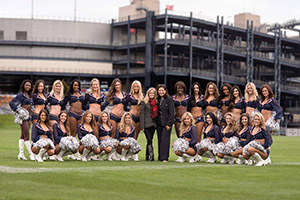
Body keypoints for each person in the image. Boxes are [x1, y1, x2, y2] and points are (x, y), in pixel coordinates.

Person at [9, 79, 35, 160]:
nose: (28, 87)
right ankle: (31, 154)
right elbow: (11, 103)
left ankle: (21, 154)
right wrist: (18, 110)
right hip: (23, 117)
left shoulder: (30, 95)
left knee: (23, 135)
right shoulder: (21, 95)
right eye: (26, 85)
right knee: (27, 136)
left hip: (29, 116)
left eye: (29, 85)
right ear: (23, 86)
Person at [156, 84, 174, 162]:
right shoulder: (158, 100)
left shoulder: (169, 99)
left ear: (165, 91)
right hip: (159, 123)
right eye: (159, 90)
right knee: (160, 140)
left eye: (162, 90)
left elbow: (172, 113)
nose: (161, 92)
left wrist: (169, 124)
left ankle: (165, 158)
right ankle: (160, 157)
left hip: (166, 123)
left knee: (165, 140)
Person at [140, 87, 158, 161]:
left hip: (153, 124)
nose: (151, 94)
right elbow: (142, 114)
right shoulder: (144, 102)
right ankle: (152, 155)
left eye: (153, 93)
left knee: (150, 140)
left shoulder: (156, 102)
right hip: (146, 124)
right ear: (148, 94)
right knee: (149, 139)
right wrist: (142, 126)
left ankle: (147, 157)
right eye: (150, 93)